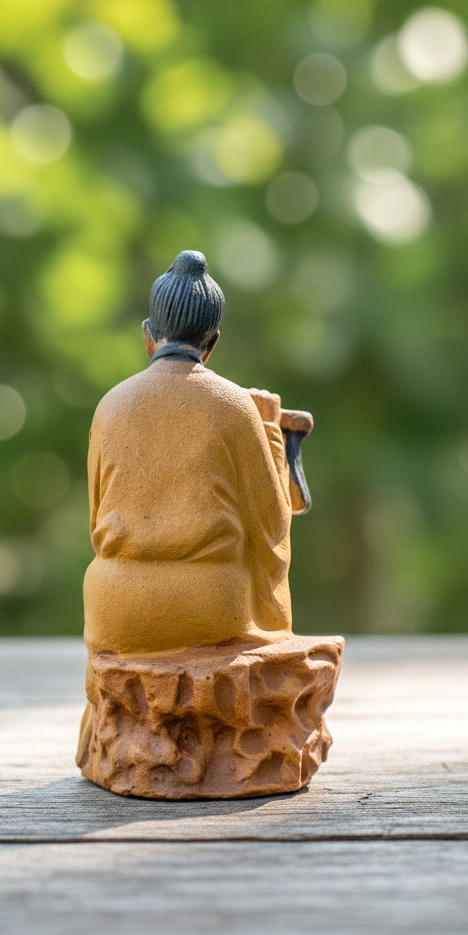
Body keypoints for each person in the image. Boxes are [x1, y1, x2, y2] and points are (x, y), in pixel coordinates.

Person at [83, 250, 310, 655]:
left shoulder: (110, 405)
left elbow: (97, 516)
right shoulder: (234, 406)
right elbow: (272, 527)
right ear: (213, 343)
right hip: (208, 604)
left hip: (114, 604)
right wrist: (272, 433)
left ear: (148, 334)